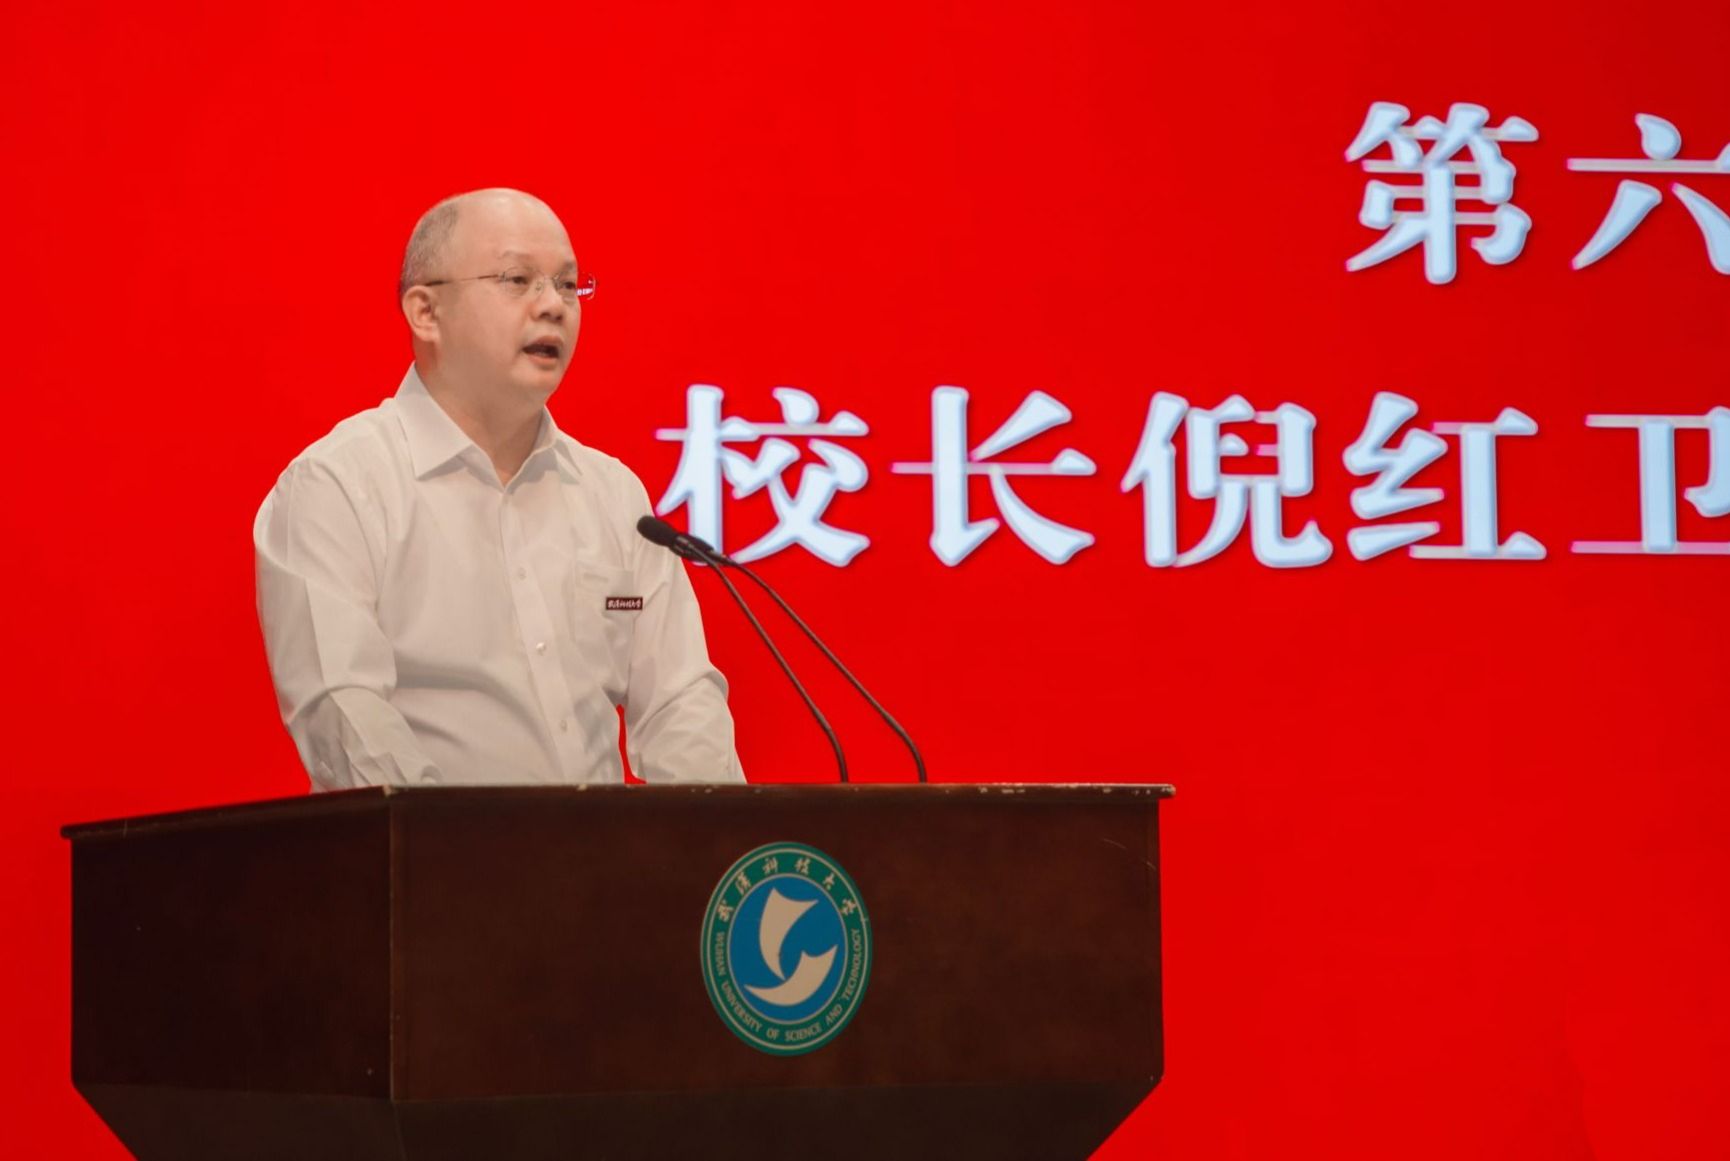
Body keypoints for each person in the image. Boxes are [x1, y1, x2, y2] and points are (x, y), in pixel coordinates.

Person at [254, 188, 743, 789]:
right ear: (426, 312)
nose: (554, 306)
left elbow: (680, 703)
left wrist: (715, 835)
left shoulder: (614, 496)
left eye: (568, 285)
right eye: (517, 280)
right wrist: (458, 841)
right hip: (430, 847)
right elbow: (343, 713)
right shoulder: (339, 487)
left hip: (610, 850)